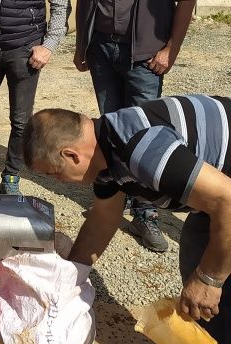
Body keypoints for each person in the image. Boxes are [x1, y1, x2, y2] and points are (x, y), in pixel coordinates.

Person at [21, 94, 231, 344]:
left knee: (211, 280)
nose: (59, 182)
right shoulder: (107, 154)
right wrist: (65, 282)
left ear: (71, 155)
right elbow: (103, 219)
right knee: (196, 255)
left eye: (54, 174)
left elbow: (227, 201)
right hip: (218, 196)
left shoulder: (142, 150)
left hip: (227, 197)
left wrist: (209, 279)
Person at [73, 0, 196, 252]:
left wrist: (171, 49)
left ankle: (145, 212)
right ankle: (116, 202)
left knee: (146, 136)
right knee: (111, 132)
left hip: (146, 54)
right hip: (101, 47)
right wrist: (82, 45)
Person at [0, 0, 70, 195]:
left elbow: (61, 5)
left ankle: (11, 178)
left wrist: (48, 46)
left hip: (24, 49)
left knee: (20, 121)